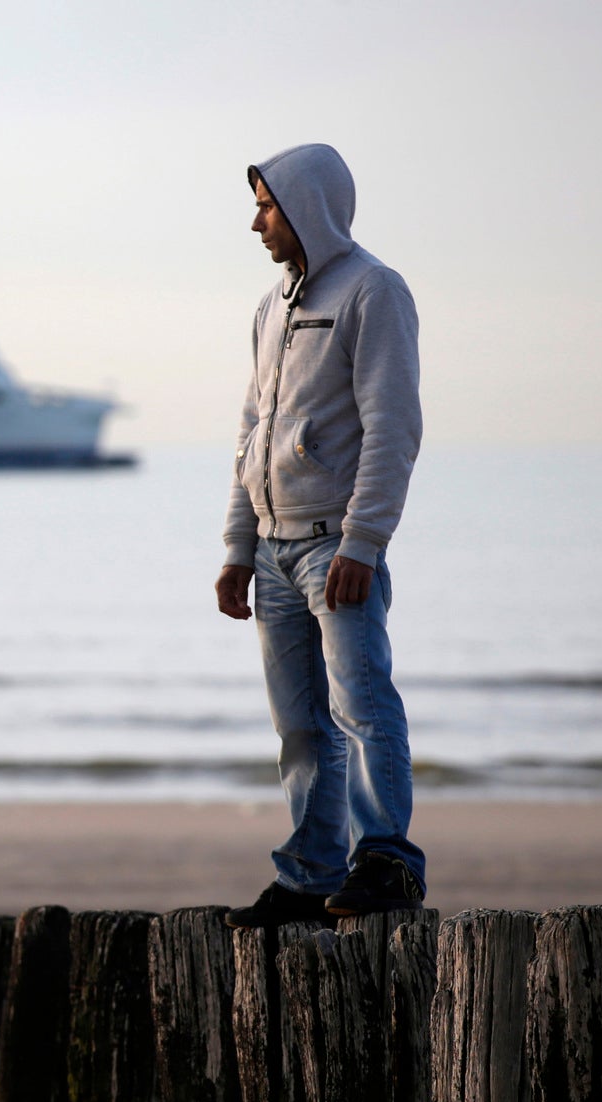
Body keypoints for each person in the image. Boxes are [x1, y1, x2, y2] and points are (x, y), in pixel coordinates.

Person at [219, 143, 427, 929]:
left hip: (334, 547)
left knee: (363, 703)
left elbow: (393, 427)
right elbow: (250, 434)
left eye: (267, 206)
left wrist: (363, 542)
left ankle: (388, 862)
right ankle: (310, 871)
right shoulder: (270, 309)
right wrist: (239, 548)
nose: (256, 222)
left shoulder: (374, 291)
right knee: (301, 725)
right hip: (272, 549)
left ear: (306, 205)